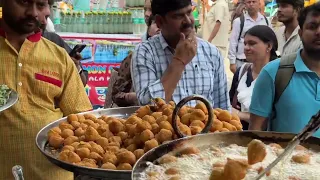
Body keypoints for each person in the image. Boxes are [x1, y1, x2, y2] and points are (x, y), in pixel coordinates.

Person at [0, 0, 93, 179]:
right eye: (24, 2)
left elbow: (82, 121)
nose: (34, 12)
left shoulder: (59, 57)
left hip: (52, 174)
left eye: (41, 4)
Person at [132, 0, 230, 109]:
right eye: (178, 16)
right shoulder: (145, 52)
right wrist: (179, 62)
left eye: (189, 12)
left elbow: (223, 111)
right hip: (164, 126)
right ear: (160, 22)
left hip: (205, 126)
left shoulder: (211, 53)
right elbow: (148, 107)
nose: (188, 21)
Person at [249, 2, 320, 137]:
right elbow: (255, 134)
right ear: (300, 33)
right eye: (312, 26)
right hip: (284, 157)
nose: (319, 32)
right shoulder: (273, 73)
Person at [229, 25, 278, 130]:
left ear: (269, 46)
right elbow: (230, 106)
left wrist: (240, 114)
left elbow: (275, 116)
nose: (246, 48)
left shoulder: (279, 75)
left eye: (252, 43)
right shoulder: (242, 72)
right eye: (245, 43)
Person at [105, 15, 160, 108]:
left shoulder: (181, 57)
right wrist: (133, 97)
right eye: (156, 22)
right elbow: (116, 95)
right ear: (148, 30)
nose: (160, 27)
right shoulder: (135, 57)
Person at [40, 0, 88, 85]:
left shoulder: (54, 40)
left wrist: (76, 67)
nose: (43, 21)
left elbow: (82, 83)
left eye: (43, 6)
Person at [228, 0, 271, 74]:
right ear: (245, 4)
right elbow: (233, 42)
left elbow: (271, 40)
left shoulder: (266, 21)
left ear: (259, 4)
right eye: (249, 2)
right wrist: (232, 62)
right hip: (242, 62)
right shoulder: (239, 22)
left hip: (261, 63)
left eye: (254, 2)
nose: (251, 4)